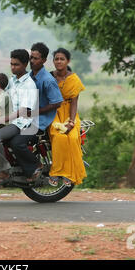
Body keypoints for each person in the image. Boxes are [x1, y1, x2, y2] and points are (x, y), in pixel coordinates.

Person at [0, 49, 41, 184]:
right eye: (11, 64)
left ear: (24, 65)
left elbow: (23, 110)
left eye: (16, 64)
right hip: (12, 120)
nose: (12, 67)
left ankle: (4, 170)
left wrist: (3, 119)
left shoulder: (29, 85)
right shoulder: (12, 81)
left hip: (21, 122)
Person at [48, 48, 86, 187]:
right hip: (53, 113)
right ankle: (56, 172)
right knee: (59, 137)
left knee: (73, 137)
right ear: (53, 61)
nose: (59, 61)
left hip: (69, 113)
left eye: (62, 59)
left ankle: (70, 175)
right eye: (56, 59)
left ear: (67, 61)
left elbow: (74, 102)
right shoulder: (49, 77)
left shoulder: (74, 79)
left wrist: (71, 122)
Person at [29, 42, 63, 133]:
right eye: (31, 57)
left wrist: (35, 112)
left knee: (16, 142)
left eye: (35, 58)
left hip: (39, 122)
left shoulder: (48, 80)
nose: (32, 61)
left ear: (44, 60)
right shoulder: (28, 76)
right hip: (27, 119)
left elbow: (57, 103)